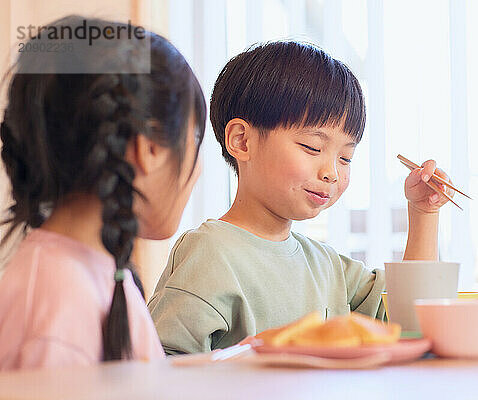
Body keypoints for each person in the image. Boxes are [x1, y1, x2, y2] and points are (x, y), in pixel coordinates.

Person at [149, 41, 453, 354]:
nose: (332, 172)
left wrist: (423, 213)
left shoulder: (327, 265)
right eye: (312, 147)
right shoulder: (210, 252)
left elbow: (412, 321)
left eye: (345, 158)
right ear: (241, 141)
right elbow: (163, 367)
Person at [0, 15, 206, 369]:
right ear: (149, 150)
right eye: (196, 140)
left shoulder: (97, 271)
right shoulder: (59, 306)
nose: (199, 168)